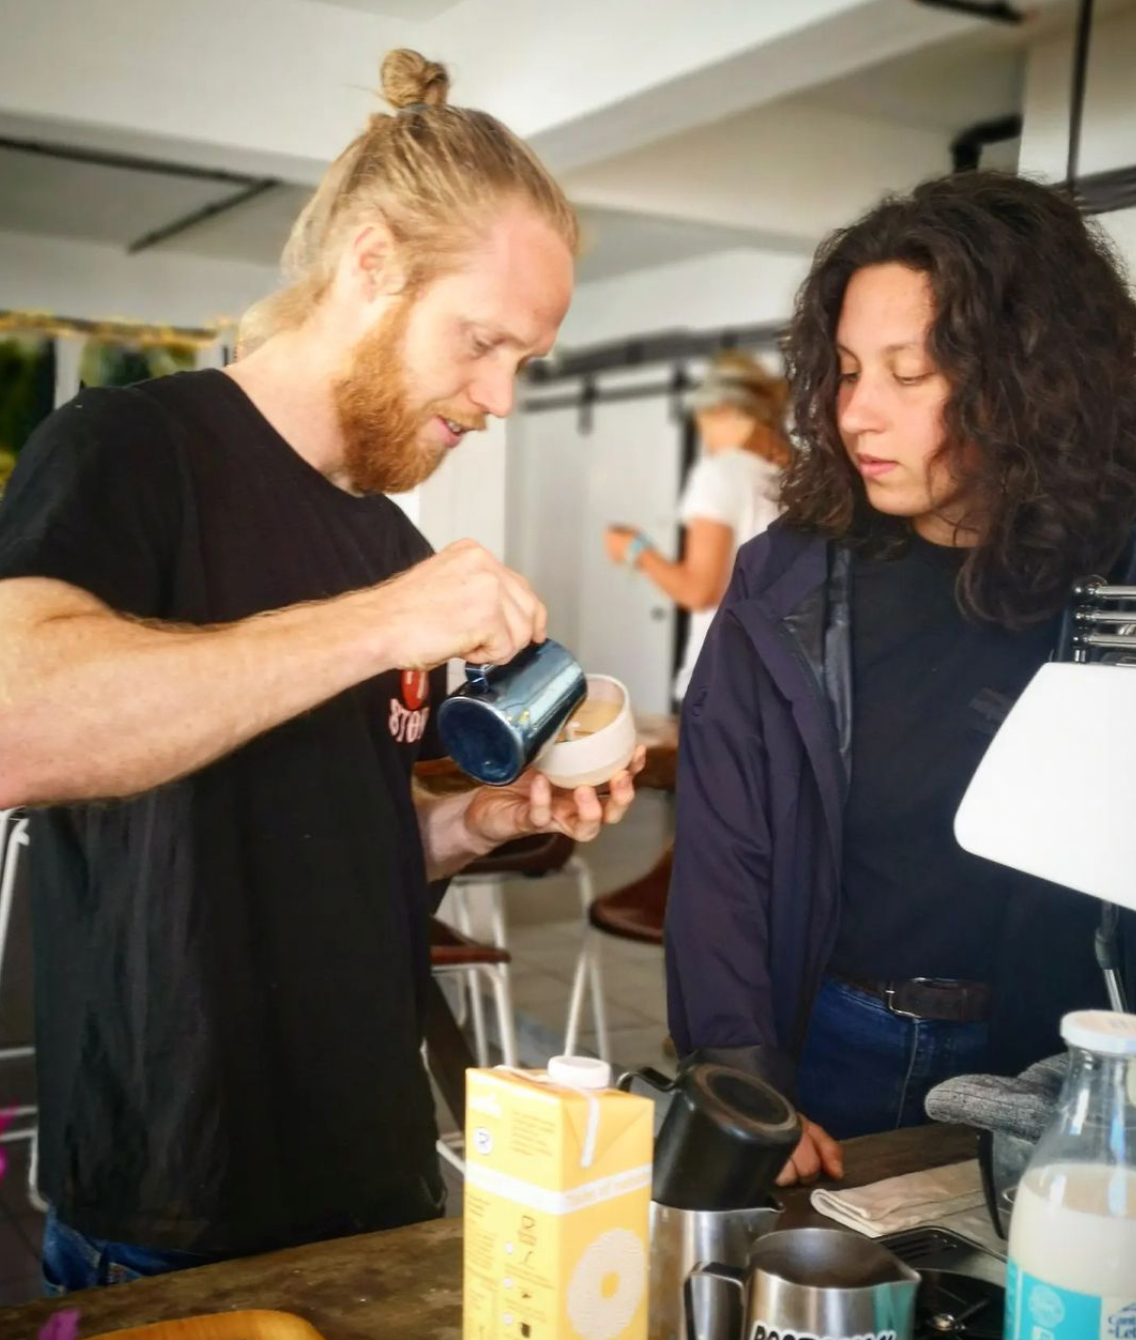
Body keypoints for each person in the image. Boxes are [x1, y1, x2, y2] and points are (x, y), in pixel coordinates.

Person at [0, 50, 645, 1290]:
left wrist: (469, 821)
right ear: (370, 266)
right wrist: (373, 624)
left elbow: (337, 850)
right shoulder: (128, 452)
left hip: (379, 1171)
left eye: (527, 359)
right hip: (177, 1200)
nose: (502, 395)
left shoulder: (383, 537)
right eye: (482, 341)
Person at [665, 171, 1136, 1188]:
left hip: (1062, 1067)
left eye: (907, 371)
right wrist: (742, 1072)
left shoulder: (1116, 578)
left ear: (1029, 378)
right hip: (829, 1044)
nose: (855, 414)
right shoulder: (786, 579)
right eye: (840, 371)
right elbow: (721, 854)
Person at [604, 351, 790, 701]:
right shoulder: (790, 481)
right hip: (776, 684)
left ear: (723, 410)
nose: (706, 441)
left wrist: (634, 548)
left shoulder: (721, 473)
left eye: (704, 425)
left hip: (721, 685)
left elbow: (699, 592)